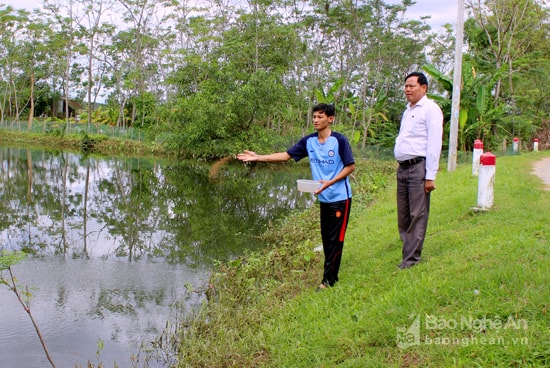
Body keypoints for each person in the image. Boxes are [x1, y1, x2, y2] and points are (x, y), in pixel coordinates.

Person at [237, 103, 355, 290]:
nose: (315, 120)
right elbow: (285, 156)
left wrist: (329, 182)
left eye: (320, 117)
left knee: (335, 238)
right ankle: (329, 274)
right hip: (323, 198)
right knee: (326, 238)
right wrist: (258, 157)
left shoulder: (339, 140)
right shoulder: (309, 141)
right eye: (314, 116)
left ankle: (328, 281)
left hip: (340, 198)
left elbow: (350, 166)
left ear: (330, 119)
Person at [394, 72, 443, 269]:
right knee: (404, 215)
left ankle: (411, 260)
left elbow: (434, 143)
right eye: (406, 86)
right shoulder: (408, 111)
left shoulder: (431, 109)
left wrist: (430, 176)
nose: (407, 89)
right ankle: (408, 251)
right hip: (403, 168)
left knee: (417, 214)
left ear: (424, 88)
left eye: (411, 86)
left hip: (418, 168)